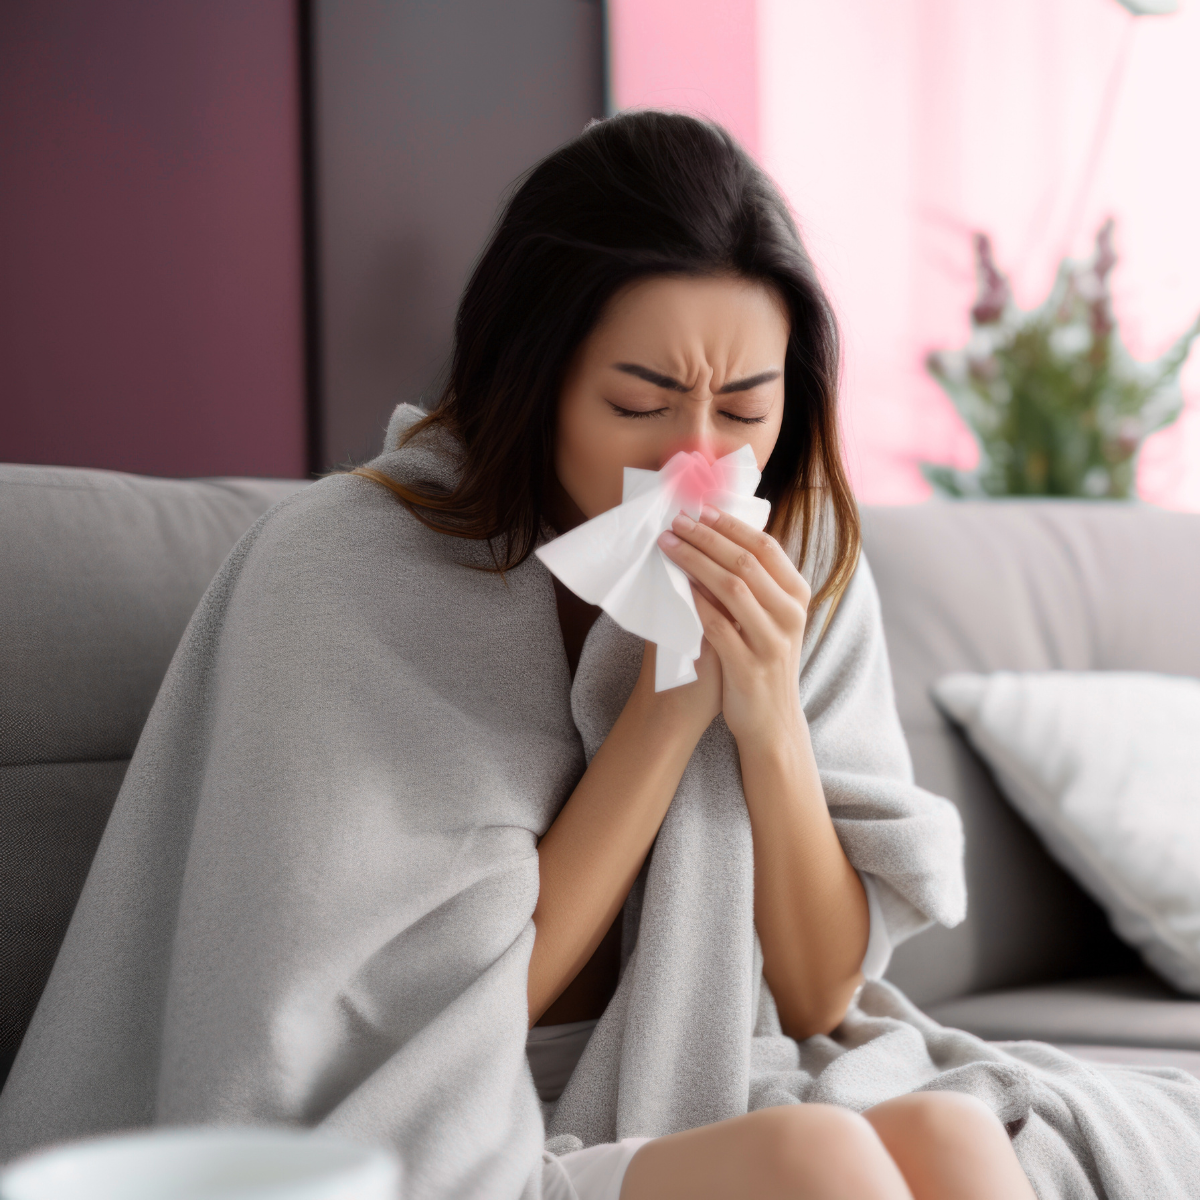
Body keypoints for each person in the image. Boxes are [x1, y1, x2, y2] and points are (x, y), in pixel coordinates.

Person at [353, 110, 1035, 1200]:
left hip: (718, 1067)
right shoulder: (366, 568)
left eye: (746, 408)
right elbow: (449, 1018)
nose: (699, 458)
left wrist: (766, 717)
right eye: (641, 403)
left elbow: (816, 999)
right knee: (814, 1155)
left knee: (955, 1139)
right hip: (454, 1106)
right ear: (528, 383)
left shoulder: (798, 548)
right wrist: (666, 713)